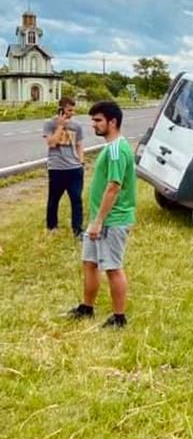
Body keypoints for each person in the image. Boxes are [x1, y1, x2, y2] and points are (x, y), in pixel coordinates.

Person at [67, 101, 137, 328]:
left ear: (112, 122)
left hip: (111, 221)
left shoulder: (117, 149)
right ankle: (87, 307)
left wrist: (98, 222)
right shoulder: (110, 147)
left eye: (97, 120)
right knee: (89, 263)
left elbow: (114, 187)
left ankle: (119, 318)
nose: (93, 125)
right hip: (99, 220)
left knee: (113, 268)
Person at [43, 96, 84, 237]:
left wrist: (81, 162)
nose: (72, 113)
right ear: (61, 110)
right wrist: (60, 126)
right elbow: (52, 143)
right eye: (69, 110)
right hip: (57, 168)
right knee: (54, 199)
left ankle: (77, 229)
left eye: (73, 110)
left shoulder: (76, 126)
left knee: (76, 199)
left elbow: (79, 144)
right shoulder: (49, 124)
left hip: (74, 168)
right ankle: (51, 226)